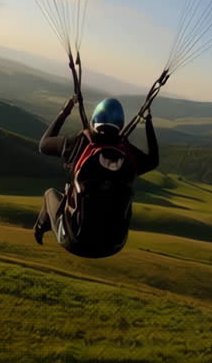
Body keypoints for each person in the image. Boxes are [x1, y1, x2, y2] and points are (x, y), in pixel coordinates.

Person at [32, 95, 159, 258]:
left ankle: (41, 227)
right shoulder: (128, 154)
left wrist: (65, 111)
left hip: (75, 242)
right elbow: (153, 160)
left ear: (94, 119)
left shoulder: (80, 143)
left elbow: (44, 145)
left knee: (50, 194)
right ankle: (49, 225)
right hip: (113, 245)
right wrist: (148, 121)